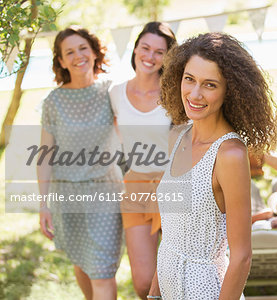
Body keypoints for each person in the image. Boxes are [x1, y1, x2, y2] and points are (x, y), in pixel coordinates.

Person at [148, 32, 277, 299]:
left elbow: (242, 256)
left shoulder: (229, 154)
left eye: (209, 84)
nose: (195, 94)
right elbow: (171, 235)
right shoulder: (177, 136)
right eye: (190, 79)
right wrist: (153, 295)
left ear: (230, 90)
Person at [38, 26, 123, 300]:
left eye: (83, 48)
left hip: (105, 193)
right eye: (69, 52)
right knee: (82, 264)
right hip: (67, 197)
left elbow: (133, 134)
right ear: (61, 61)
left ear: (95, 52)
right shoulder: (54, 101)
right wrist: (43, 203)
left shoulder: (111, 92)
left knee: (102, 271)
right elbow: (45, 154)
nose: (78, 56)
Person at [108, 22, 176, 300]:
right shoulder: (115, 93)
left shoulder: (175, 93)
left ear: (167, 58)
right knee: (143, 281)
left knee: (176, 273)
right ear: (135, 48)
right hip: (135, 185)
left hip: (173, 185)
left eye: (159, 51)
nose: (150, 56)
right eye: (145, 48)